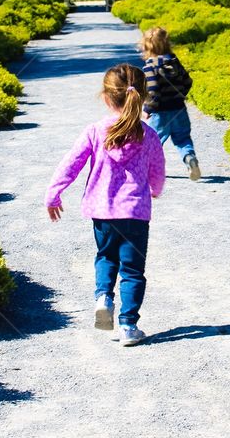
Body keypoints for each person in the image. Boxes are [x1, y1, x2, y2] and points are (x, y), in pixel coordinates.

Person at [45, 64, 165, 346]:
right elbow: (157, 172)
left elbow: (71, 163)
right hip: (135, 213)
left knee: (105, 256)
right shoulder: (148, 134)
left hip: (102, 212)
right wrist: (155, 190)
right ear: (142, 95)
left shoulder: (95, 131)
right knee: (133, 271)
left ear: (107, 97)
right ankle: (128, 326)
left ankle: (103, 298)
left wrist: (54, 193)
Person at [139, 27, 202, 181]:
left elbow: (153, 91)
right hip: (180, 110)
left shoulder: (149, 67)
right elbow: (188, 81)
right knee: (182, 139)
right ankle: (189, 158)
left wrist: (147, 108)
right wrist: (179, 96)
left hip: (160, 113)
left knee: (152, 141)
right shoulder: (175, 62)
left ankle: (147, 169)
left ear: (146, 46)